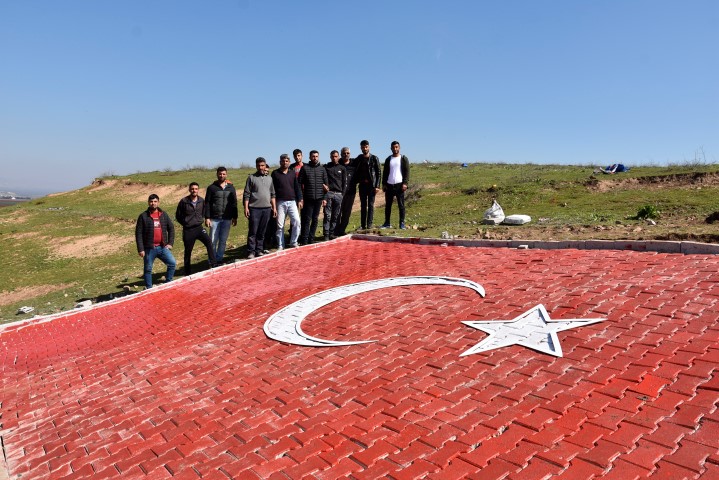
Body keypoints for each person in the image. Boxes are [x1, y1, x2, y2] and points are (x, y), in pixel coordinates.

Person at [175, 182, 217, 275]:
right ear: (189, 190)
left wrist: (202, 219)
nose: (194, 190)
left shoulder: (201, 200)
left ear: (198, 190)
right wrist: (185, 223)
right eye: (192, 189)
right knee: (188, 251)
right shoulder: (184, 201)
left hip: (199, 228)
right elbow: (178, 215)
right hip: (188, 230)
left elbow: (204, 212)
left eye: (196, 189)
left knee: (209, 242)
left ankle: (213, 264)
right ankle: (187, 272)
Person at [135, 194, 176, 288]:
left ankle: (168, 283)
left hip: (162, 247)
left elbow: (171, 228)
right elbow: (138, 233)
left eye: (155, 201)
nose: (153, 203)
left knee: (172, 263)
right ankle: (149, 288)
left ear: (158, 202)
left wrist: (170, 243)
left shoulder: (163, 214)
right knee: (148, 269)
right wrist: (141, 249)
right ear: (148, 203)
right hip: (149, 248)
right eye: (151, 201)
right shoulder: (143, 216)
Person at [243, 157, 277, 259]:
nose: (260, 167)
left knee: (262, 231)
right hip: (254, 208)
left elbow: (273, 194)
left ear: (265, 165)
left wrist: (274, 207)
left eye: (262, 165)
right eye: (258, 165)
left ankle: (259, 250)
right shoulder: (251, 178)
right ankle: (251, 251)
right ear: (256, 166)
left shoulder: (269, 178)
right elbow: (246, 194)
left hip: (267, 208)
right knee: (253, 231)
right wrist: (246, 208)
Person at [204, 166, 238, 264]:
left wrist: (235, 217)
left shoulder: (231, 188)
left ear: (226, 175)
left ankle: (219, 259)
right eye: (220, 174)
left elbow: (234, 203)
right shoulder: (211, 188)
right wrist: (207, 217)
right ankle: (212, 260)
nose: (221, 175)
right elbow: (207, 203)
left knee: (223, 240)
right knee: (212, 241)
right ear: (217, 174)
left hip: (227, 218)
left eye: (223, 174)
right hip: (214, 218)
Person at [272, 153, 303, 249]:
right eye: (283, 161)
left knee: (297, 222)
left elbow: (297, 187)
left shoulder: (292, 173)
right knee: (280, 225)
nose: (285, 162)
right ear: (280, 162)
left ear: (289, 162)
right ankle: (281, 245)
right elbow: (272, 189)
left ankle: (293, 242)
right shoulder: (275, 173)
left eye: (286, 161)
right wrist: (273, 204)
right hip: (280, 202)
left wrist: (300, 199)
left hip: (292, 201)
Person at [299, 150, 328, 244]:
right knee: (307, 220)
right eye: (313, 156)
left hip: (319, 199)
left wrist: (324, 198)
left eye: (316, 156)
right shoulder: (305, 168)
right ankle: (304, 240)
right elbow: (299, 183)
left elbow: (326, 186)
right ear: (310, 157)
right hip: (308, 198)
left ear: (318, 157)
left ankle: (311, 239)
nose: (315, 158)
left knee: (315, 219)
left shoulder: (322, 169)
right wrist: (301, 197)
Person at [381, 141, 410, 229]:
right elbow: (385, 172)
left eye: (396, 147)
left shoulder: (403, 158)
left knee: (401, 205)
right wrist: (384, 184)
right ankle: (387, 223)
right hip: (389, 185)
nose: (395, 149)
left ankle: (402, 223)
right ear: (391, 148)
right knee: (388, 205)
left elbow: (407, 172)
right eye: (393, 147)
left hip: (399, 185)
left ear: (399, 147)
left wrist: (405, 183)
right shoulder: (388, 159)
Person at [354, 139, 381, 229]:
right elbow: (352, 166)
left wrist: (377, 186)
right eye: (363, 147)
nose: (365, 149)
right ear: (361, 148)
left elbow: (378, 172)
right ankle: (363, 225)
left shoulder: (374, 158)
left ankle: (369, 225)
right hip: (362, 185)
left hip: (371, 186)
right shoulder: (359, 158)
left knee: (371, 205)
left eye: (366, 147)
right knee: (363, 205)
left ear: (369, 147)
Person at [323, 150, 347, 240]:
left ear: (338, 157)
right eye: (332, 156)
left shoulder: (342, 168)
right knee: (327, 215)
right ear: (330, 157)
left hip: (338, 194)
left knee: (335, 215)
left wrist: (342, 194)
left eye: (336, 156)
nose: (334, 158)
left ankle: (331, 233)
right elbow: (322, 179)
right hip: (329, 193)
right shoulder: (326, 167)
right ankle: (326, 234)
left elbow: (344, 182)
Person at [334, 146, 356, 237]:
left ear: (350, 154)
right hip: (340, 192)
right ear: (341, 154)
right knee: (337, 212)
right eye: (344, 153)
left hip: (350, 192)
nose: (346, 155)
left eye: (347, 153)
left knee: (347, 212)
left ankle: (342, 230)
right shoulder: (338, 164)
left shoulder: (354, 164)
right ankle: (336, 231)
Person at [289, 148, 304, 238]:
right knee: (294, 216)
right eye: (296, 156)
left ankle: (303, 234)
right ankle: (292, 234)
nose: (297, 157)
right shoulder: (291, 167)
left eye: (299, 155)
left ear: (302, 156)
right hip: (294, 194)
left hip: (305, 193)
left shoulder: (305, 166)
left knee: (304, 215)